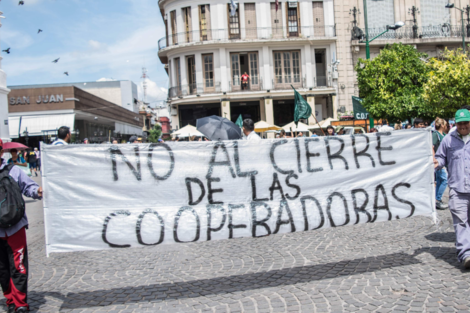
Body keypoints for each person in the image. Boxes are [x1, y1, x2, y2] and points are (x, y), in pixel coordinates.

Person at [0, 139, 43, 313]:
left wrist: (38, 191)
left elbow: (29, 188)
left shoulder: (14, 170)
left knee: (18, 266)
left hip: (15, 227)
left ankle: (20, 304)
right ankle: (10, 300)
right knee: (2, 268)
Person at [434, 109, 470, 269]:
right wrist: (437, 163)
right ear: (455, 123)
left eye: (466, 123)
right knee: (461, 223)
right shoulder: (448, 140)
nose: (463, 126)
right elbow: (441, 157)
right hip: (457, 190)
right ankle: (466, 254)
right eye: (460, 123)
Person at [433, 118, 449, 210]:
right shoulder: (436, 134)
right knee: (444, 180)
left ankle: (437, 199)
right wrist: (434, 158)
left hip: (443, 161)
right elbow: (432, 146)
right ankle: (437, 199)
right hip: (439, 161)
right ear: (442, 125)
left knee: (439, 180)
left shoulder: (443, 134)